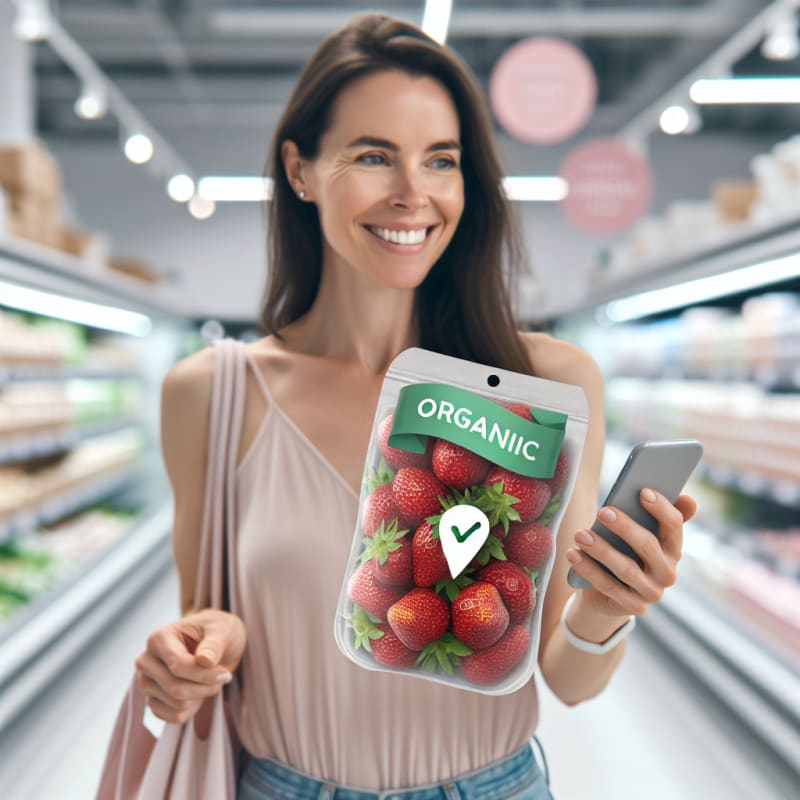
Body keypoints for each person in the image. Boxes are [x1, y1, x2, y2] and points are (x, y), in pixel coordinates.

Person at [135, 13, 697, 800]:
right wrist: (195, 651)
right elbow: (210, 617)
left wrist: (606, 607)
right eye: (373, 156)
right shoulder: (212, 392)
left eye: (441, 160)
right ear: (299, 169)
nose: (413, 194)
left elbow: (568, 681)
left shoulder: (547, 384)